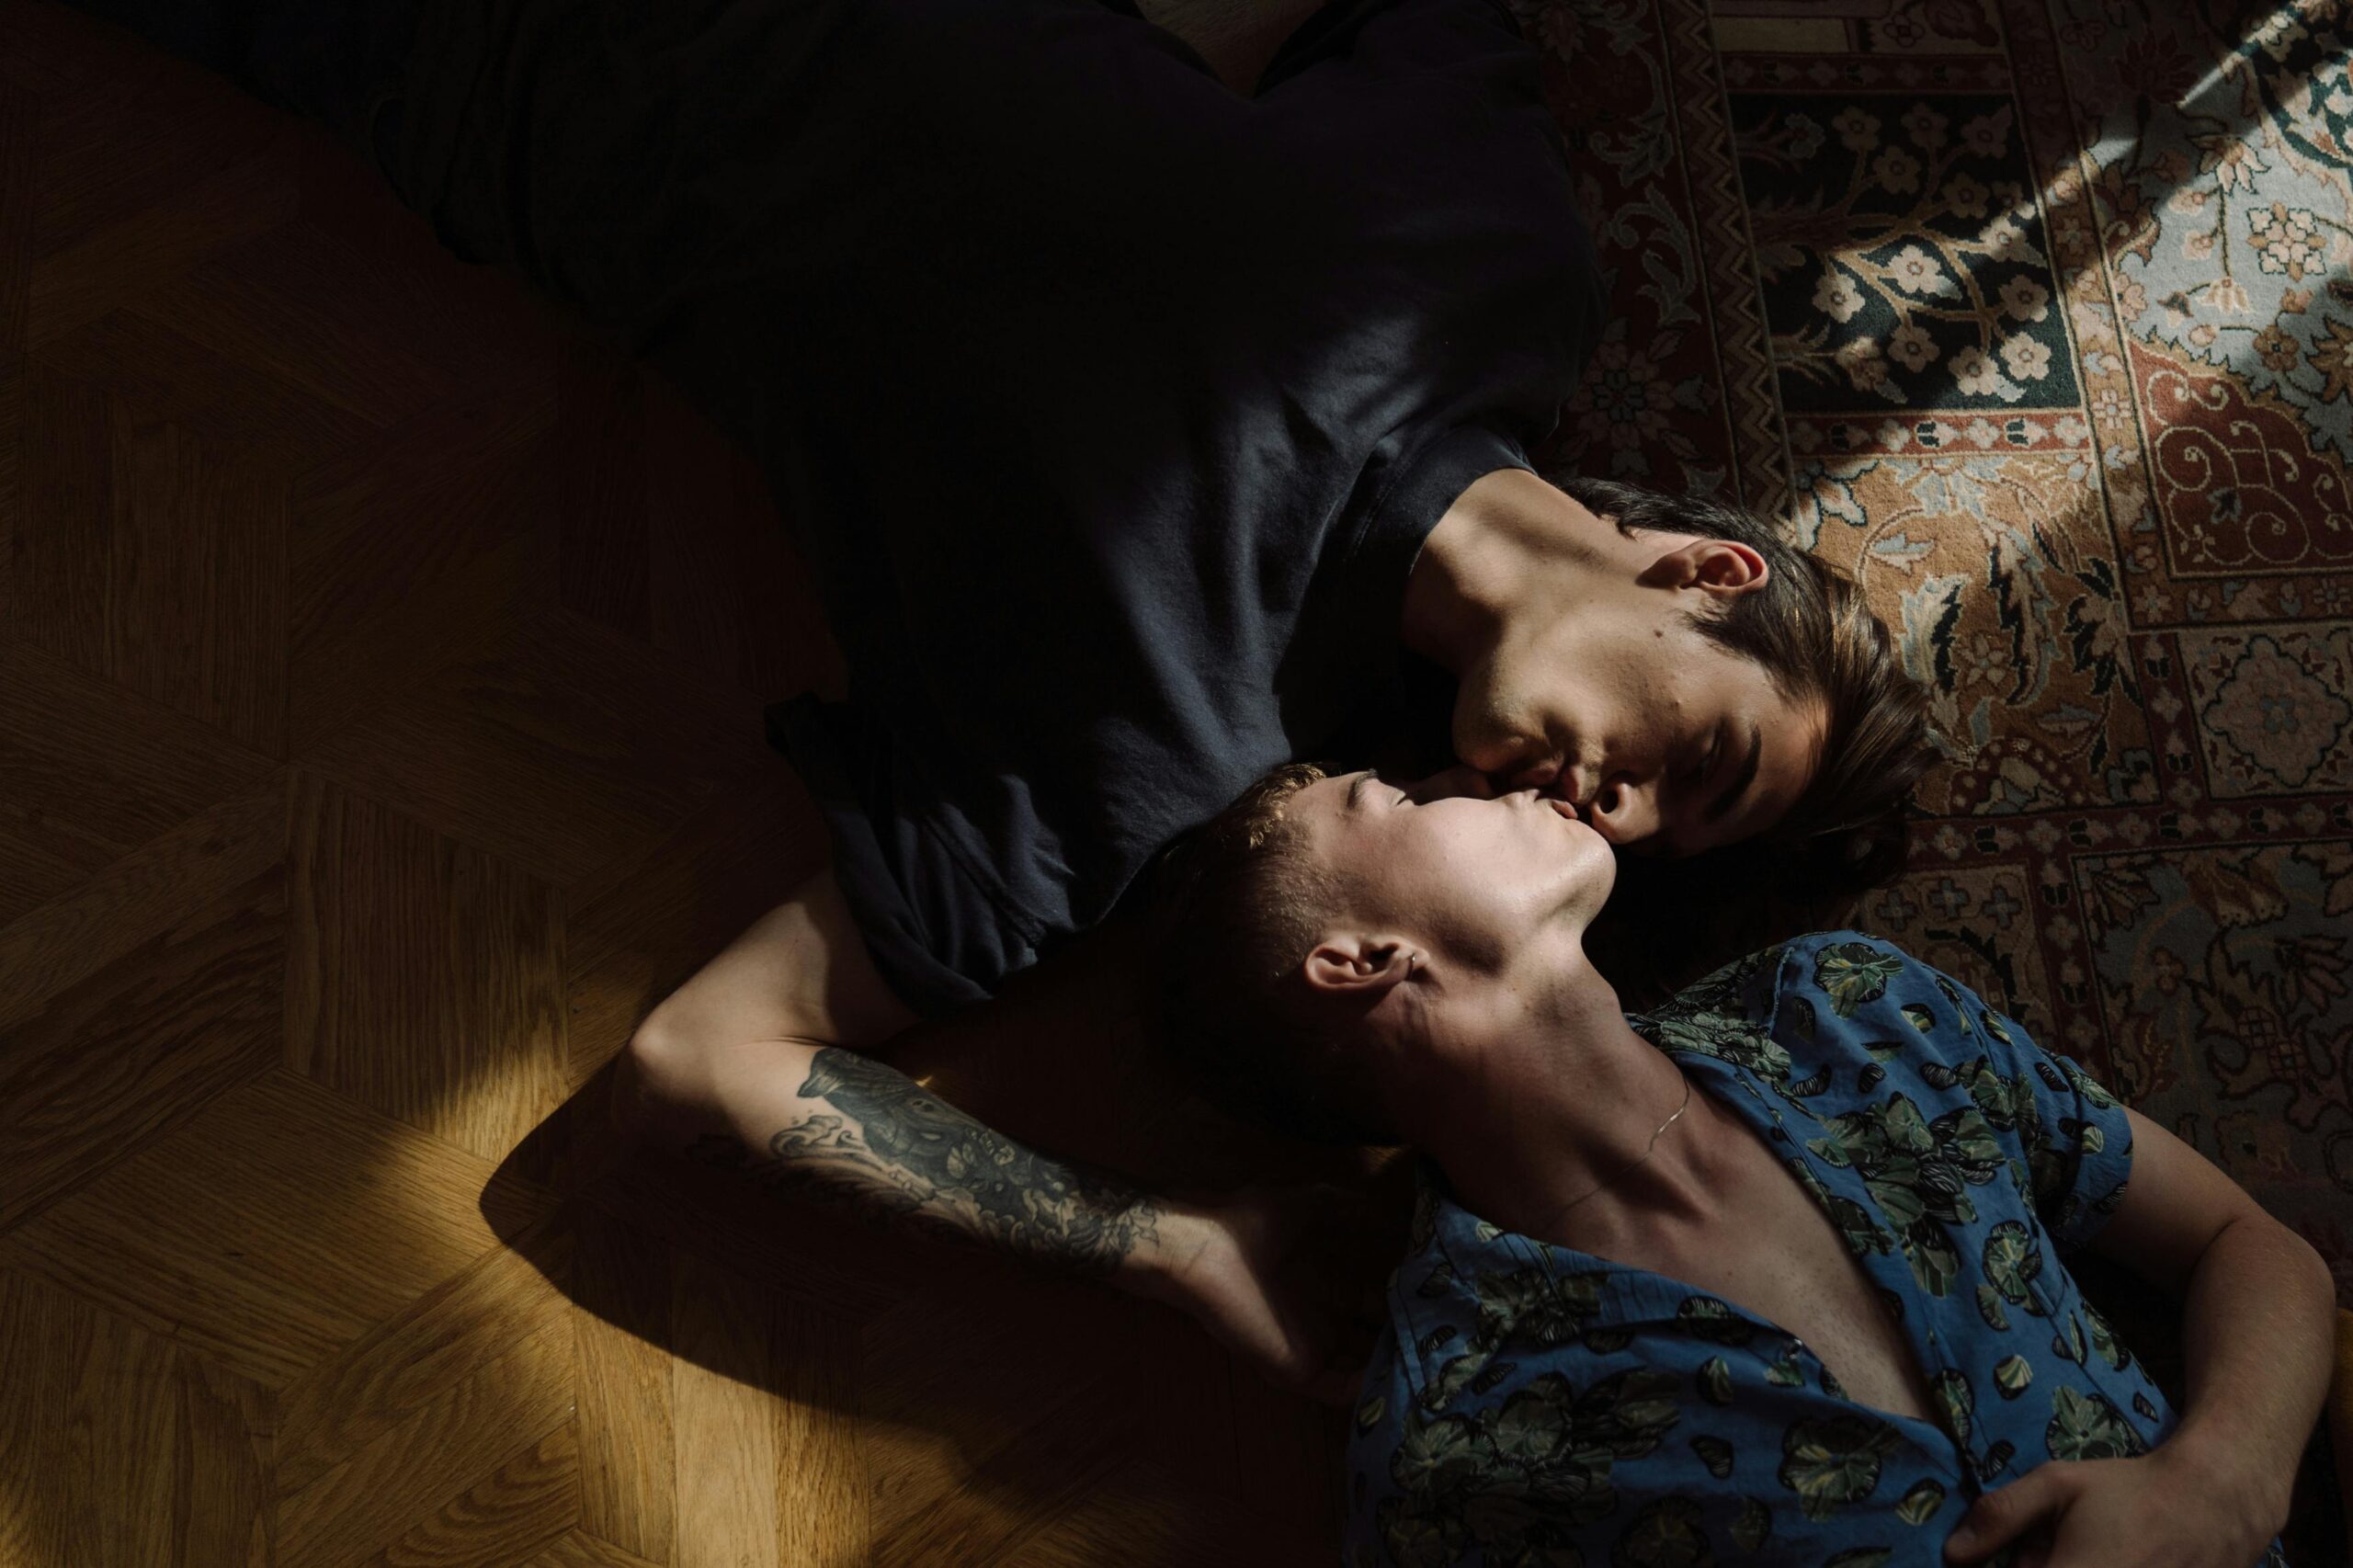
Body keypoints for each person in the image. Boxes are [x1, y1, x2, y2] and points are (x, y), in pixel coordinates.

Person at [63, 0, 1932, 1028]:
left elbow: (715, 1055)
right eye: (1699, 759)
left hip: (465, 56)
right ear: (1705, 574)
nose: (1619, 820)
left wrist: (1189, 1268)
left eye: (1663, 839)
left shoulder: (1174, 760)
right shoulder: (1506, 271)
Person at [1140, 762, 2330, 1566]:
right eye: (1399, 798)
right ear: (1361, 958)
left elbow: (2250, 1244)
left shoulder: (1853, 1007)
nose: (1481, 779)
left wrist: (2223, 1478)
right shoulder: (1449, 1447)